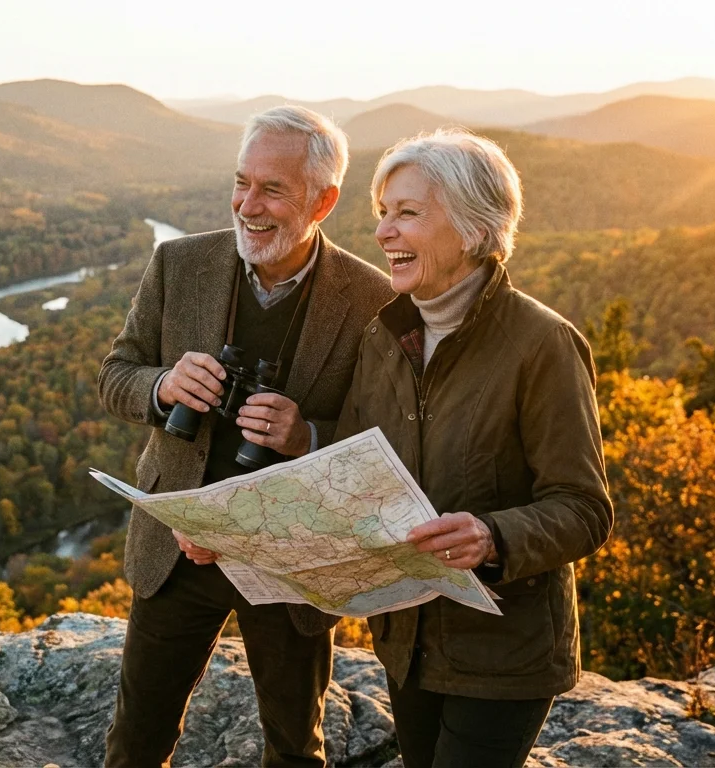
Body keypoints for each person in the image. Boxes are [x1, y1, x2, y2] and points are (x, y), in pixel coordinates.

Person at [97, 106, 395, 767]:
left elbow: (387, 439)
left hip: (290, 557)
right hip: (179, 549)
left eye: (271, 189)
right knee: (137, 743)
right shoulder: (179, 263)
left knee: (294, 749)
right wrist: (164, 387)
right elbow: (115, 376)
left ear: (324, 200)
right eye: (241, 182)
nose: (247, 205)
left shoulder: (372, 299)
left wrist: (307, 435)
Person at [334, 128, 613, 768]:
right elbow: (353, 472)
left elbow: (584, 509)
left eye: (407, 213)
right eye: (383, 213)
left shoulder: (542, 344)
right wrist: (248, 538)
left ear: (472, 226)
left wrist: (492, 537)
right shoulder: (386, 335)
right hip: (406, 642)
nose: (382, 234)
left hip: (501, 658)